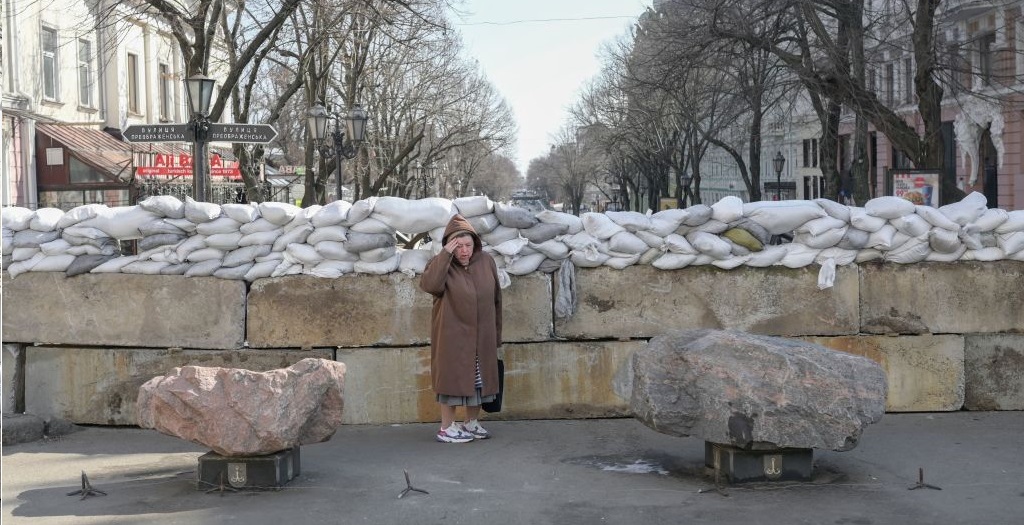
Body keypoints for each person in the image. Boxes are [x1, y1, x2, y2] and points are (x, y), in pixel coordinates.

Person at [419, 214, 502, 443]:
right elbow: (430, 285)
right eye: (459, 246)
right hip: (452, 336)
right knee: (452, 382)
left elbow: (496, 299)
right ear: (450, 246)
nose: (464, 251)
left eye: (468, 245)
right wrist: (445, 255)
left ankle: (471, 423)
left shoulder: (486, 262)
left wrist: (496, 334)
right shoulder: (441, 265)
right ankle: (446, 428)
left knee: (479, 381)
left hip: (482, 335)